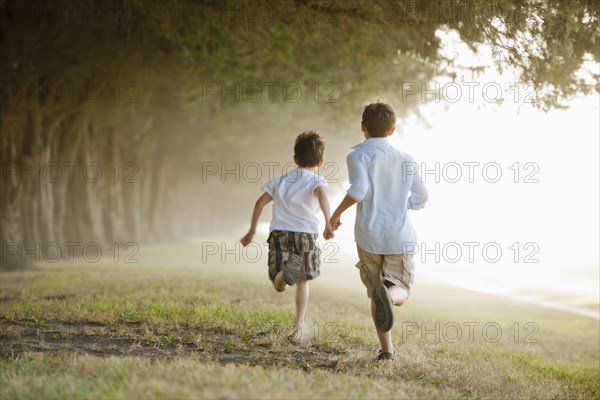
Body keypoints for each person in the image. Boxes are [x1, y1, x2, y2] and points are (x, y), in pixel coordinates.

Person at [330, 101, 428, 361]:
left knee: (376, 292)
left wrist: (336, 213)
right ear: (393, 129)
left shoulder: (357, 155)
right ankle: (390, 296)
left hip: (368, 236)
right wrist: (404, 204)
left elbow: (358, 191)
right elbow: (422, 196)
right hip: (399, 237)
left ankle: (387, 351)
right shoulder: (407, 159)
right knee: (400, 290)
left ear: (363, 127)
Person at [241, 131, 334, 339]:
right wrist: (328, 222)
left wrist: (252, 231)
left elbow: (259, 203)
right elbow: (323, 198)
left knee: (278, 284)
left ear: (295, 159)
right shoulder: (317, 181)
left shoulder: (280, 180)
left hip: (280, 233)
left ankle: (283, 274)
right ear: (320, 161)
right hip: (306, 234)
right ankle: (299, 325)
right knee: (303, 281)